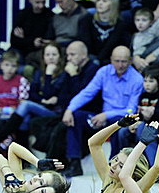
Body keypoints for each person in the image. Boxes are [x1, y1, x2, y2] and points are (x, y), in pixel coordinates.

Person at [62, 46, 144, 177]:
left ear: (130, 61)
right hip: (102, 117)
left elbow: (131, 110)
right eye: (117, 61)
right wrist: (69, 109)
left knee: (119, 124)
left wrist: (106, 115)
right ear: (111, 60)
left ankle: (112, 166)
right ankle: (75, 163)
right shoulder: (104, 72)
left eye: (124, 61)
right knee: (75, 117)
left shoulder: (137, 79)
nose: (120, 65)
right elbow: (87, 92)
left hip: (120, 117)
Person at [77, 0, 131, 65]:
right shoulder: (86, 20)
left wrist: (100, 60)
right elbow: (83, 42)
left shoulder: (121, 25)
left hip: (112, 62)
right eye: (98, 0)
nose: (100, 3)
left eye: (104, 1)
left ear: (113, 4)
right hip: (88, 60)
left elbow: (120, 47)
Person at [10, 0, 55, 64]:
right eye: (37, 2)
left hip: (40, 52)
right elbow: (13, 40)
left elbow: (47, 39)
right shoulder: (23, 14)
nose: (41, 6)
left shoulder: (50, 15)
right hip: (21, 50)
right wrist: (32, 42)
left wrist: (24, 39)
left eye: (43, 2)